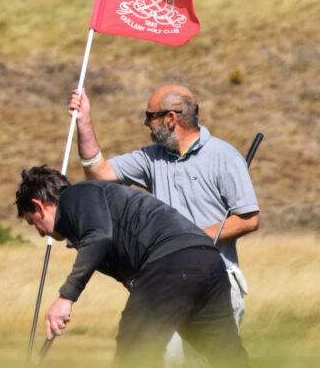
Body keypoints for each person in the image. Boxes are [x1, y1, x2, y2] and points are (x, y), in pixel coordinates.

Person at [69, 86, 258, 331]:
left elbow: (248, 219)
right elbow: (99, 173)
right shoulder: (152, 157)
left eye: (150, 116)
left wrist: (190, 241)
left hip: (217, 280)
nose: (145, 123)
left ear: (171, 118)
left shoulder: (225, 157)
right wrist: (84, 121)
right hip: (165, 283)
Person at [16, 166, 245, 363]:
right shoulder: (87, 218)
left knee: (133, 355)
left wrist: (66, 298)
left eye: (32, 222)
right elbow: (127, 270)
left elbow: (98, 236)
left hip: (173, 262)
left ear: (39, 206)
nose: (39, 232)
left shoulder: (77, 194)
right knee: (226, 357)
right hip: (208, 260)